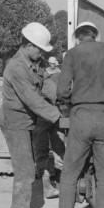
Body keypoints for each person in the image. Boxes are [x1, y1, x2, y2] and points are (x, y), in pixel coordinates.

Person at [52, 21, 104, 208]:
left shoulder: (72, 54)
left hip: (81, 117)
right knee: (103, 176)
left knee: (70, 173)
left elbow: (62, 90)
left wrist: (68, 101)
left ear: (78, 37)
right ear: (95, 35)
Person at [0, 22, 61, 208]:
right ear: (28, 45)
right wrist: (58, 116)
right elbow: (33, 99)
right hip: (15, 122)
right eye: (40, 49)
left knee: (29, 167)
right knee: (25, 170)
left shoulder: (36, 62)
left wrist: (63, 98)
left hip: (28, 121)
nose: (42, 54)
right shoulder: (16, 67)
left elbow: (47, 84)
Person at [32, 64, 65, 199]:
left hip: (53, 115)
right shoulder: (46, 76)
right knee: (44, 152)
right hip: (44, 116)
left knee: (58, 151)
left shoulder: (50, 75)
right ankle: (49, 187)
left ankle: (59, 186)